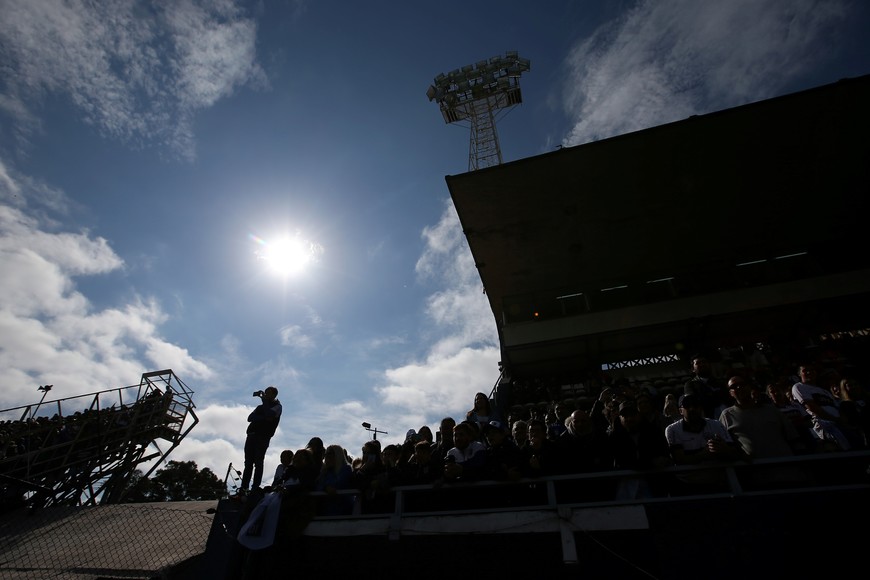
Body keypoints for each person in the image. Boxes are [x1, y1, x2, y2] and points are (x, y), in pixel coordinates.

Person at [665, 394, 742, 495]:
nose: (692, 408)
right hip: (688, 485)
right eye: (687, 405)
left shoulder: (716, 425)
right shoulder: (673, 430)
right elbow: (679, 459)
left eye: (695, 405)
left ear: (701, 408)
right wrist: (705, 453)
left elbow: (733, 452)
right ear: (681, 411)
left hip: (718, 483)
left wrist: (723, 448)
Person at [791, 363, 852, 450]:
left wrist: (842, 419)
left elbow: (836, 406)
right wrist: (835, 419)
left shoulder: (823, 391)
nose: (809, 372)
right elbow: (812, 407)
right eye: (805, 371)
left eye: (811, 370)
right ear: (799, 374)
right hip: (824, 425)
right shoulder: (799, 387)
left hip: (839, 424)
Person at [239, 386, 282, 494]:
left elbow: (270, 414)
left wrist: (265, 406)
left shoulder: (277, 406)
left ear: (274, 395)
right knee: (248, 463)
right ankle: (244, 488)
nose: (266, 395)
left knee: (258, 462)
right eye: (265, 393)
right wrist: (264, 417)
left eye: (268, 393)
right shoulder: (260, 407)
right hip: (251, 436)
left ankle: (255, 488)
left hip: (263, 437)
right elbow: (250, 418)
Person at [314, 444, 355, 515]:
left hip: (342, 511)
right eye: (326, 454)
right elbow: (317, 486)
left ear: (337, 455)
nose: (326, 457)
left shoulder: (346, 469)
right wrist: (325, 487)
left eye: (330, 454)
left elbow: (340, 484)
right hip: (326, 511)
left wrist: (326, 487)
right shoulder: (324, 472)